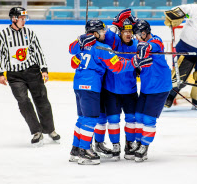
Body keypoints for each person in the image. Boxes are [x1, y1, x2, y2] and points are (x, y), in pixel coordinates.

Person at [68, 19, 152, 165]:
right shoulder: (103, 48)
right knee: (90, 119)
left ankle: (75, 150)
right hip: (91, 86)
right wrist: (135, 62)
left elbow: (71, 53)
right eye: (102, 31)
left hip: (78, 85)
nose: (105, 33)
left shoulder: (82, 45)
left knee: (81, 118)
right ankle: (84, 151)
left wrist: (79, 39)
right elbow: (118, 66)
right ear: (94, 33)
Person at [0, 7, 60, 147]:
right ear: (14, 19)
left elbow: (38, 52)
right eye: (22, 19)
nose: (24, 21)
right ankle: (36, 131)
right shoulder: (2, 35)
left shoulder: (29, 33)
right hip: (14, 75)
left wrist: (44, 69)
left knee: (42, 100)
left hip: (33, 72)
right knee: (23, 102)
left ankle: (50, 129)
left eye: (25, 18)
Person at [93, 11, 140, 161]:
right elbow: (98, 32)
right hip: (111, 90)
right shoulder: (113, 42)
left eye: (130, 31)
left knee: (131, 119)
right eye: (125, 31)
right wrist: (119, 19)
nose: (128, 34)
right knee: (113, 120)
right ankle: (116, 145)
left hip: (130, 90)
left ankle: (130, 144)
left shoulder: (137, 45)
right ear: (120, 32)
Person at [132, 20, 172, 162]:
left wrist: (147, 46)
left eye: (136, 34)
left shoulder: (156, 41)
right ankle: (138, 142)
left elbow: (156, 45)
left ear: (143, 33)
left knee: (148, 119)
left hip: (159, 87)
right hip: (147, 86)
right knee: (138, 116)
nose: (135, 37)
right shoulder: (138, 44)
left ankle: (144, 146)